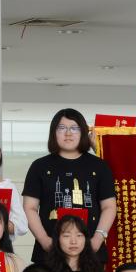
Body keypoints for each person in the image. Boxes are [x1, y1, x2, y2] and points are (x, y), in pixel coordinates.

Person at [22, 109, 118, 255]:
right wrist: (44, 241)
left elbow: (109, 207)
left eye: (74, 128)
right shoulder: (39, 166)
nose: (68, 133)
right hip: (50, 251)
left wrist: (97, 240)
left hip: (91, 251)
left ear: (83, 132)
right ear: (53, 132)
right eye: (62, 128)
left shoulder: (99, 166)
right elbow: (30, 207)